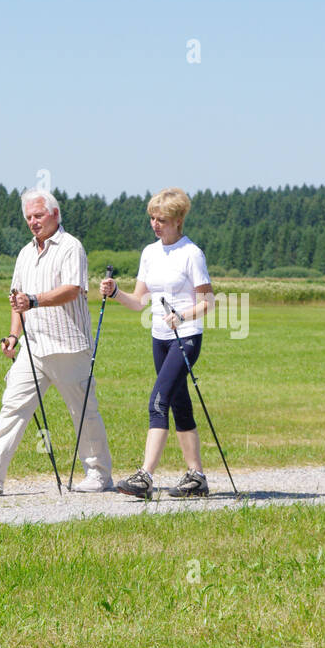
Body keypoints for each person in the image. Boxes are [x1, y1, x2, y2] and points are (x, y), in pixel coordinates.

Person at [0, 189, 113, 495]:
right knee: (13, 405)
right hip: (34, 346)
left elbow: (72, 289)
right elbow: (18, 300)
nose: (33, 222)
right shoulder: (25, 253)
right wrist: (14, 335)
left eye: (38, 215)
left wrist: (34, 300)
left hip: (69, 346)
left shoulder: (71, 247)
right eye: (28, 217)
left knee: (82, 412)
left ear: (55, 214)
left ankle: (98, 474)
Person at [99, 187, 214, 500]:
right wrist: (114, 293)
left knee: (158, 402)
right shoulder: (150, 253)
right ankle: (197, 477)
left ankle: (145, 477)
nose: (155, 224)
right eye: (152, 218)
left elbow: (208, 302)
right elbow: (138, 302)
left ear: (178, 220)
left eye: (161, 219)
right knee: (179, 404)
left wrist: (182, 314)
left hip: (186, 338)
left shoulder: (192, 254)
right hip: (159, 339)